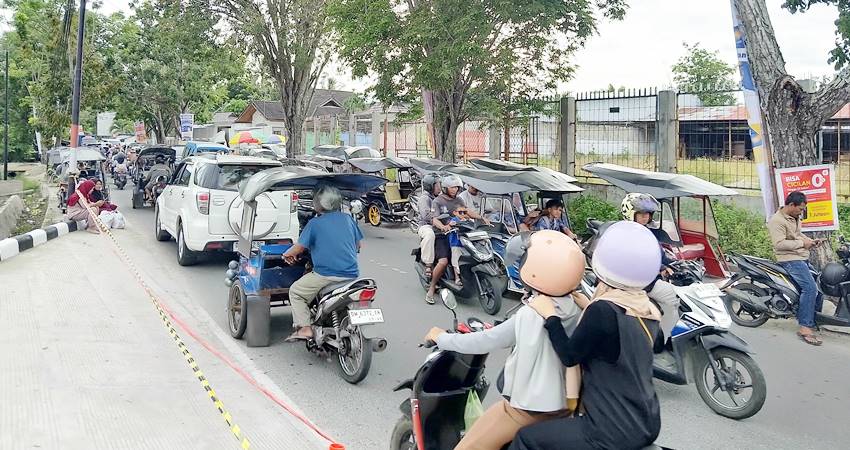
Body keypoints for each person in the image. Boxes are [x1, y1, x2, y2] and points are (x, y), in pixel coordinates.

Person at [424, 230, 586, 450]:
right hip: (565, 408)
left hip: (526, 410)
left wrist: (441, 337)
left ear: (536, 269)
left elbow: (487, 340)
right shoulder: (579, 306)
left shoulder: (534, 312)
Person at [511, 221, 663, 450]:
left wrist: (550, 316)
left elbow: (570, 355)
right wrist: (590, 303)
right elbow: (632, 339)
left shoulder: (602, 310)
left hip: (610, 429)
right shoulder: (647, 309)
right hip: (647, 422)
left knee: (526, 438)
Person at [282, 185, 363, 341]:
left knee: (296, 292)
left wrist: (287, 254)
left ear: (319, 204)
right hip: (352, 275)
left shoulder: (314, 224)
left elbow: (298, 248)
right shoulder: (348, 219)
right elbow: (358, 246)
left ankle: (305, 328)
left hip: (326, 274)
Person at [767, 191, 825, 346]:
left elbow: (798, 235)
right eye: (800, 209)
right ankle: (805, 327)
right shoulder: (777, 221)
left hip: (801, 257)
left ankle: (811, 319)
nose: (802, 212)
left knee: (820, 287)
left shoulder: (795, 217)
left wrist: (811, 241)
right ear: (791, 205)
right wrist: (802, 244)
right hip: (789, 260)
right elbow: (778, 244)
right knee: (810, 289)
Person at [622, 192, 681, 342]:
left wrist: (673, 263)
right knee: (678, 298)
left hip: (649, 278)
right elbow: (640, 257)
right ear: (631, 213)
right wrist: (661, 266)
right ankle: (668, 338)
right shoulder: (628, 234)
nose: (645, 216)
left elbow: (658, 253)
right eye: (641, 213)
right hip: (640, 282)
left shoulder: (646, 232)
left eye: (647, 213)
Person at [426, 174, 490, 304]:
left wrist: (481, 218)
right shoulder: (438, 201)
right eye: (452, 187)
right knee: (443, 261)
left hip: (459, 232)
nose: (455, 190)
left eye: (456, 187)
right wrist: (443, 227)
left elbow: (466, 212)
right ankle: (432, 288)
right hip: (442, 235)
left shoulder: (459, 200)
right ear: (445, 188)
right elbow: (434, 219)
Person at [417, 173, 440, 279]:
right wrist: (437, 220)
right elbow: (426, 216)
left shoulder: (439, 197)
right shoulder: (424, 198)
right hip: (426, 226)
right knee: (430, 235)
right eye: (437, 185)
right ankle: (428, 264)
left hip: (439, 224)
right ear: (430, 186)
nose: (439, 187)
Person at [446, 204, 469, 287]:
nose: (462, 214)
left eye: (464, 212)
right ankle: (457, 278)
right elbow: (449, 224)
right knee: (456, 261)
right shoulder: (453, 220)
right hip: (456, 244)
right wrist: (451, 224)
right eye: (460, 212)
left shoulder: (467, 220)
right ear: (455, 212)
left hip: (466, 244)